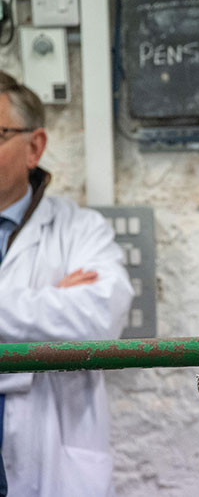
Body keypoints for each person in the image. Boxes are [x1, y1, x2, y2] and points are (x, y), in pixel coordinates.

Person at [0, 71, 133, 496]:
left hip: (50, 458)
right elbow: (67, 322)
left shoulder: (81, 230)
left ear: (34, 146)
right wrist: (51, 302)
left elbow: (96, 323)